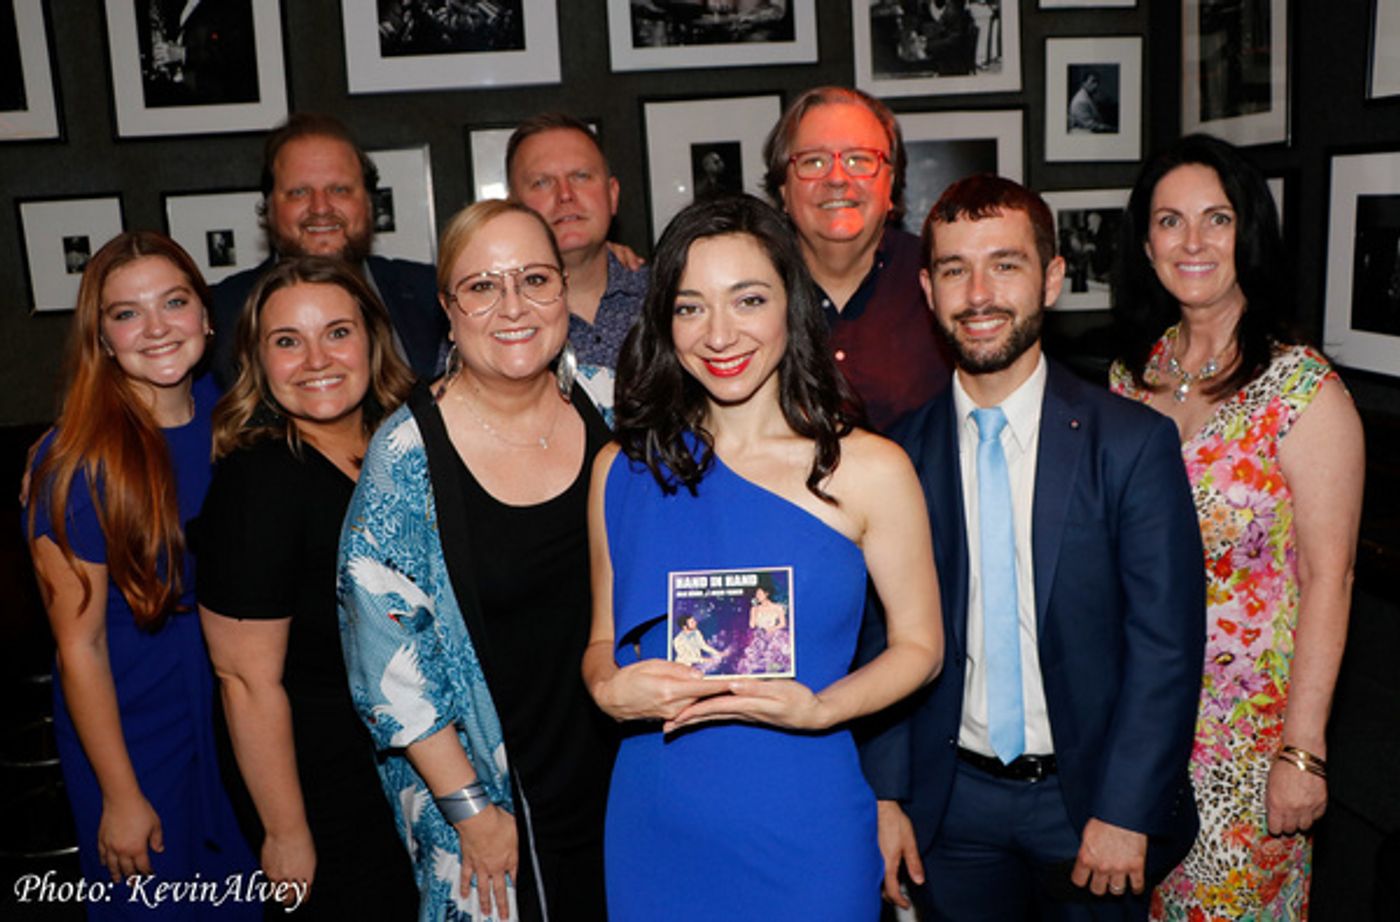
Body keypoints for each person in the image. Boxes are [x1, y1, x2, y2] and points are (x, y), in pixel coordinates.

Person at [583, 194, 944, 921]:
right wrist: (607, 690)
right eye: (690, 307)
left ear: (792, 304)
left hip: (804, 817)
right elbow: (601, 643)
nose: (719, 333)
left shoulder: (869, 469)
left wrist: (822, 708)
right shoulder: (622, 469)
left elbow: (921, 647)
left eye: (748, 299)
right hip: (656, 823)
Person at [862, 175, 1206, 921]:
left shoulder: (1131, 445)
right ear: (927, 289)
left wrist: (1125, 810)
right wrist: (887, 795)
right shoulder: (895, 457)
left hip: (1088, 806)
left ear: (1051, 279)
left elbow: (1166, 647)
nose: (978, 294)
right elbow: (880, 636)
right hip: (950, 811)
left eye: (1005, 264)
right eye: (955, 269)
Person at [1110, 134, 1365, 921]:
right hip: (1137, 735)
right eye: (1170, 221)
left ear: (1246, 232)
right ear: (1145, 242)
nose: (1192, 242)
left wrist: (1302, 751)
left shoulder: (1302, 390)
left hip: (1247, 746)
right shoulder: (1130, 380)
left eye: (1216, 219)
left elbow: (1330, 577)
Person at [338, 200, 617, 922]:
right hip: (495, 803)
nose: (513, 306)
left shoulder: (613, 407)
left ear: (565, 290)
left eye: (535, 279)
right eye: (483, 286)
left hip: (627, 780)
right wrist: (471, 812)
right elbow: (387, 670)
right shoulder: (406, 457)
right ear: (448, 309)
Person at [23, 231, 260, 919]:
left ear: (206, 315)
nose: (156, 328)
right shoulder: (76, 463)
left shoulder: (235, 416)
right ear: (102, 337)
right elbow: (80, 645)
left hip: (232, 706)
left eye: (174, 302)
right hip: (132, 721)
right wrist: (120, 793)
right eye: (127, 313)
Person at [191, 257, 419, 919]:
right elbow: (244, 680)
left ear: (373, 339)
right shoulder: (258, 481)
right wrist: (286, 831)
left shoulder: (406, 441)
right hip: (321, 776)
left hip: (415, 756)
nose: (317, 359)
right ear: (257, 361)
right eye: (287, 341)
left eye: (337, 333)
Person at [209, 113, 447, 389]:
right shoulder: (221, 312)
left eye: (339, 190)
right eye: (299, 192)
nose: (321, 208)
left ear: (369, 203)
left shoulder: (431, 294)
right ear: (269, 207)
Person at [762, 86, 952, 431]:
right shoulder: (747, 289)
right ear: (783, 190)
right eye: (813, 161)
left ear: (891, 183)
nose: (837, 178)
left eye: (859, 160)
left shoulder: (945, 280)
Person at [506, 112, 648, 375]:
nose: (565, 194)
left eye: (581, 176)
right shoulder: (491, 322)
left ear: (612, 195)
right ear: (513, 209)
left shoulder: (667, 297)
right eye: (541, 182)